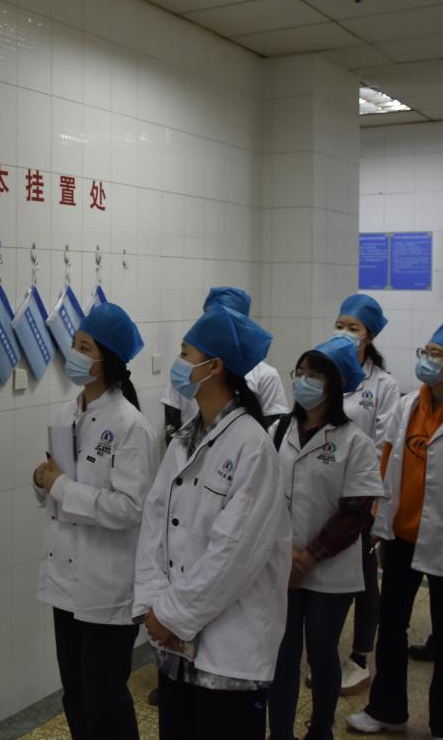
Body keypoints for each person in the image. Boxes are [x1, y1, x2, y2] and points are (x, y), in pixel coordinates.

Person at [134, 305, 291, 740]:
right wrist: (153, 607)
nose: (179, 363)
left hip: (229, 653)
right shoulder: (184, 440)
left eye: (186, 353)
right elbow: (155, 526)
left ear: (215, 366)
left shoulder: (252, 447)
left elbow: (235, 555)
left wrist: (172, 615)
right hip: (175, 646)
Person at [347, 316, 443, 739]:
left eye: (436, 354)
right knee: (391, 627)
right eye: (425, 351)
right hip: (402, 538)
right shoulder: (410, 404)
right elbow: (387, 463)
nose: (426, 359)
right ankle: (386, 709)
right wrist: (378, 519)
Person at [32, 303, 162, 740]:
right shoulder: (65, 414)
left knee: (105, 699)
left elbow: (130, 508)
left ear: (108, 359)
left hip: (106, 587)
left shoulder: (131, 426)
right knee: (75, 694)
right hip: (64, 582)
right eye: (74, 344)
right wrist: (42, 482)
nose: (74, 353)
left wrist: (62, 487)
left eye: (84, 347)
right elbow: (57, 491)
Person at [268, 337, 383, 740]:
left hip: (330, 569)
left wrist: (308, 557)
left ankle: (321, 728)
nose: (303, 381)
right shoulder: (278, 430)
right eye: (299, 372)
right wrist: (286, 552)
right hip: (282, 563)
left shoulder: (355, 442)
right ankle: (279, 732)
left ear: (335, 382)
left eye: (314, 374)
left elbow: (356, 512)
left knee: (321, 650)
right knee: (282, 654)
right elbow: (261, 496)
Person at [329, 294, 401, 695]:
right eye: (340, 324)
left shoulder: (384, 385)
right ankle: (326, 652)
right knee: (329, 573)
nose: (344, 332)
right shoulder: (324, 371)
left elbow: (382, 445)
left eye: (352, 327)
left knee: (363, 573)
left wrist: (371, 498)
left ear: (368, 335)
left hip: (361, 492)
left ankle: (359, 657)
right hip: (324, 488)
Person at [161, 287, 289, 445]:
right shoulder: (188, 371)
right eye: (209, 317)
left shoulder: (265, 376)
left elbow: (274, 429)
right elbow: (172, 422)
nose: (215, 326)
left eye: (226, 321)